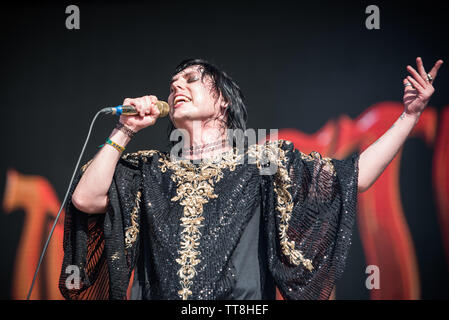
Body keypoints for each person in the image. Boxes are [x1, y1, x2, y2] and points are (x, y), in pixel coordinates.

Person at [59, 57, 443, 300]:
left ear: (222, 99)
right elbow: (86, 200)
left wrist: (409, 117)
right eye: (173, 83)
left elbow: (355, 177)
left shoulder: (262, 162)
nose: (176, 86)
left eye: (191, 79)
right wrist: (124, 131)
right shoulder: (150, 169)